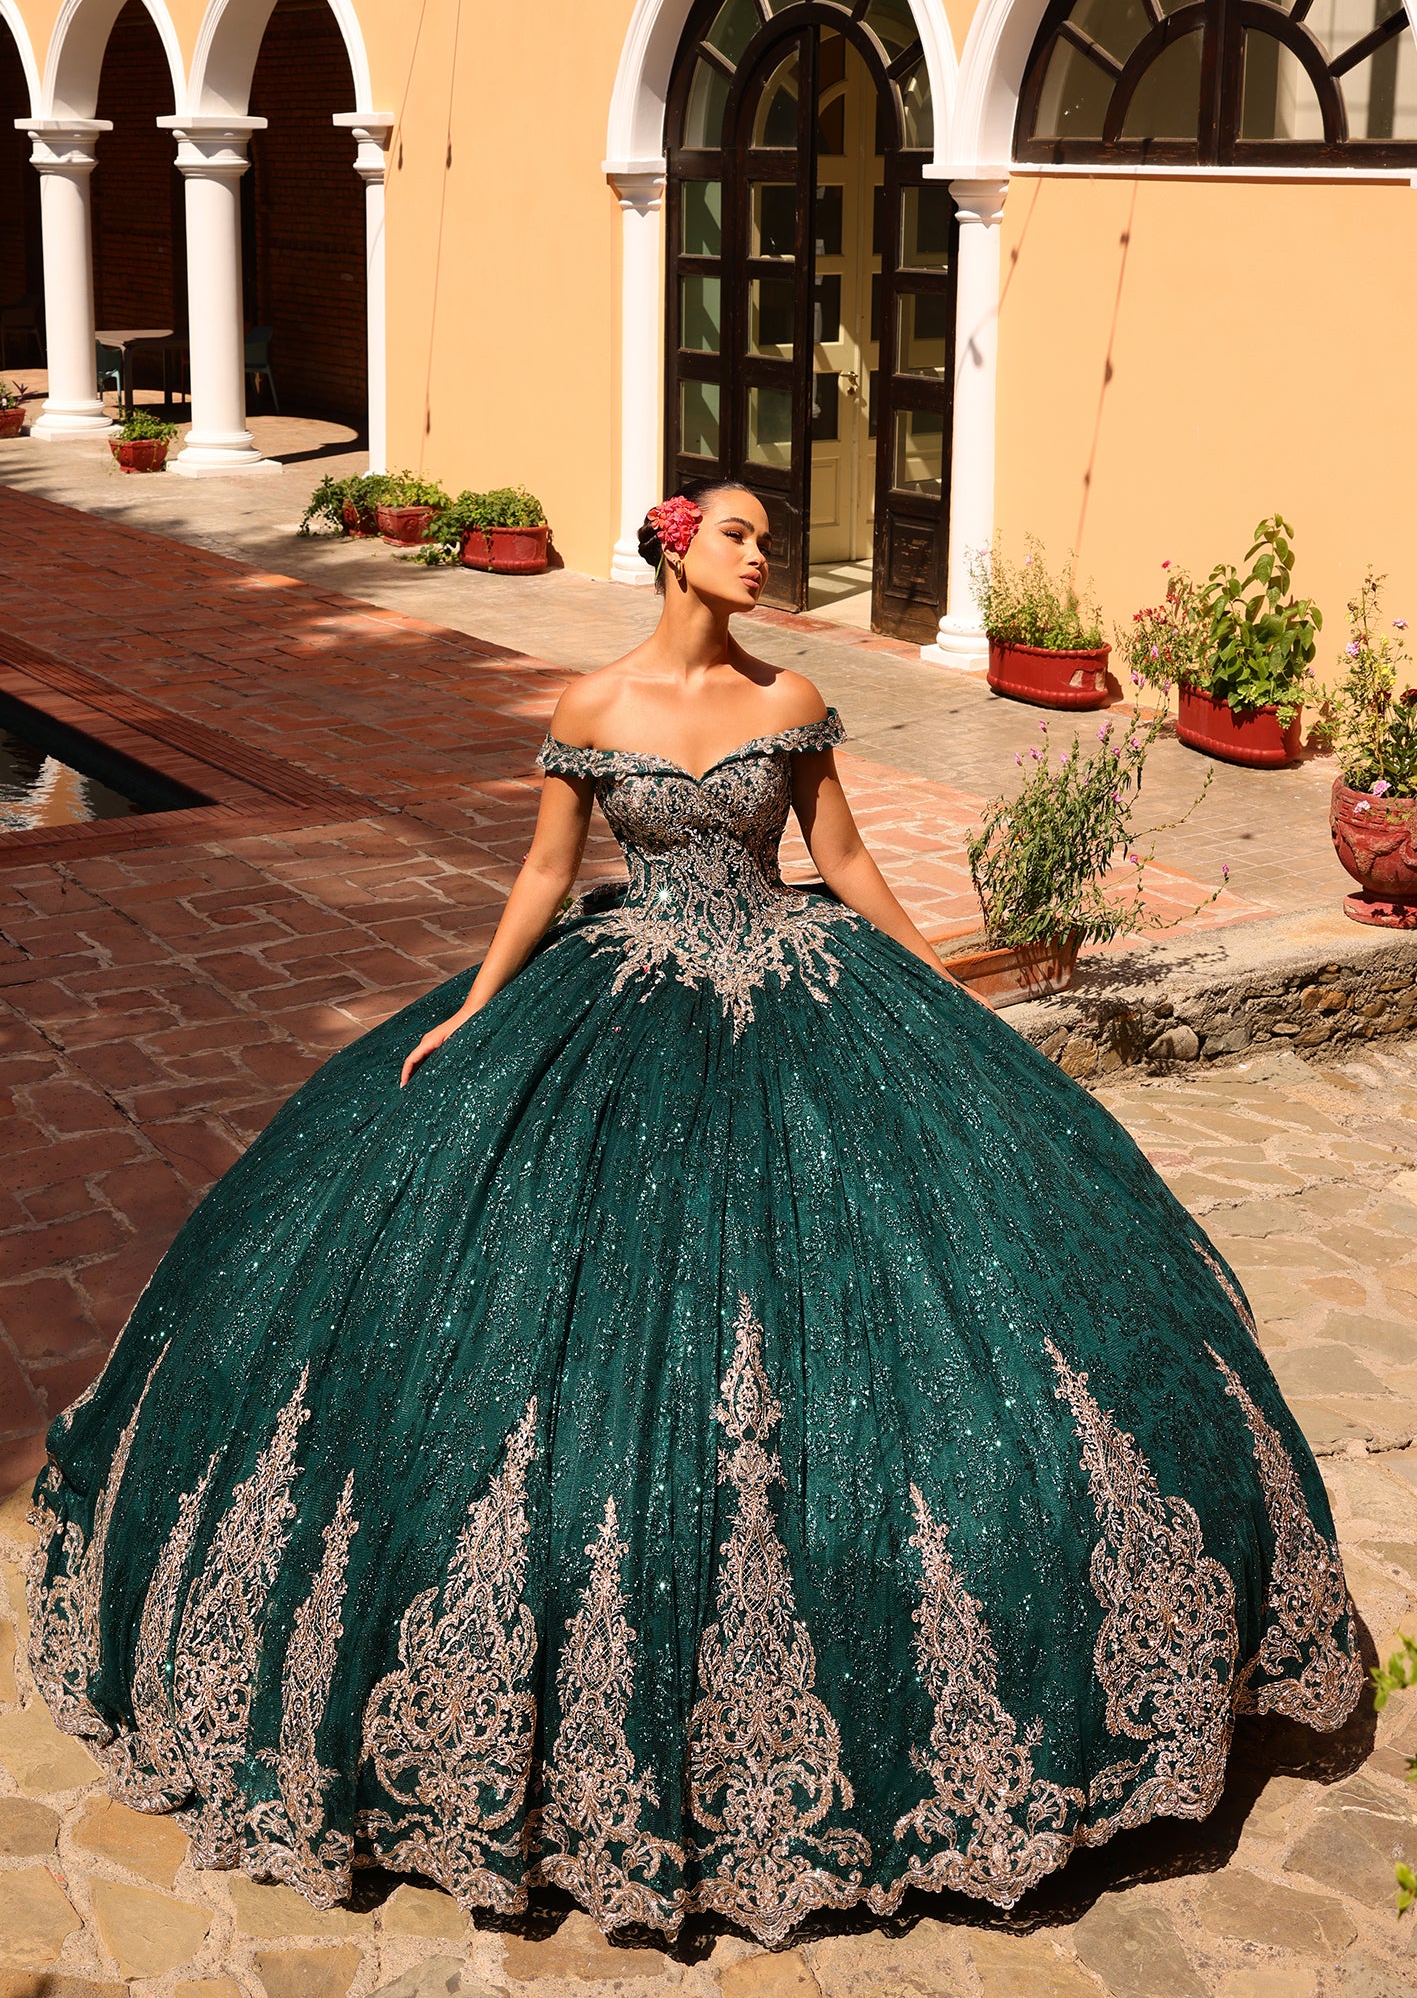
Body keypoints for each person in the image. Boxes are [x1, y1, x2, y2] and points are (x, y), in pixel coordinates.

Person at [29, 480, 1360, 1948]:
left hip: (802, 988)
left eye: (766, 541)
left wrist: (942, 996)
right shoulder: (591, 703)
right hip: (624, 998)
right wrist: (471, 1010)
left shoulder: (789, 697)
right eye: (737, 535)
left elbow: (843, 861)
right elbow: (548, 871)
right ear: (676, 547)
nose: (760, 557)